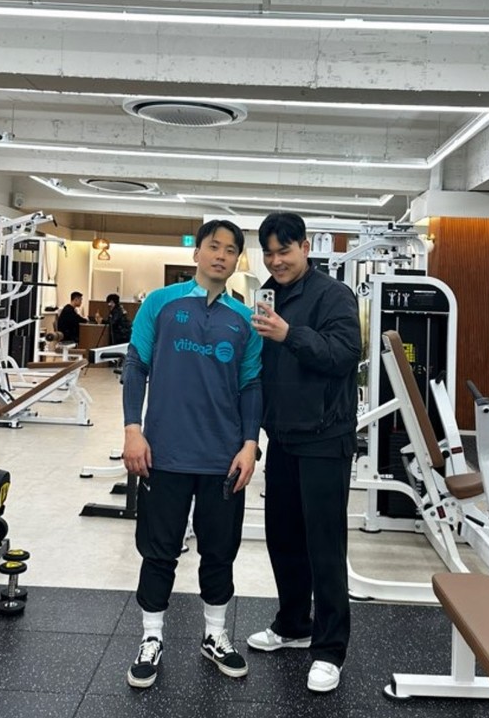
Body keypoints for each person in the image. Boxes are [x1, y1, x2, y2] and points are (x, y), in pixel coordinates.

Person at [121, 219, 263, 690]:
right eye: (213, 246)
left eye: (230, 249)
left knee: (219, 552)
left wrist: (250, 444)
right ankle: (151, 637)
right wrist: (133, 430)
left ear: (237, 259)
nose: (221, 255)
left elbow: (251, 385)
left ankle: (215, 635)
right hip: (164, 453)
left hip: (223, 458)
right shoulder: (160, 304)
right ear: (196, 253)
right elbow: (136, 365)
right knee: (159, 550)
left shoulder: (244, 320)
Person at [247, 212, 361, 694]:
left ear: (306, 247)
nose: (277, 261)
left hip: (325, 438)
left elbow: (344, 355)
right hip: (284, 437)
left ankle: (330, 649)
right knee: (284, 538)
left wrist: (288, 333)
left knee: (324, 547)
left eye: (285, 251)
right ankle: (294, 624)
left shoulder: (334, 295)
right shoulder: (268, 295)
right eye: (269, 253)